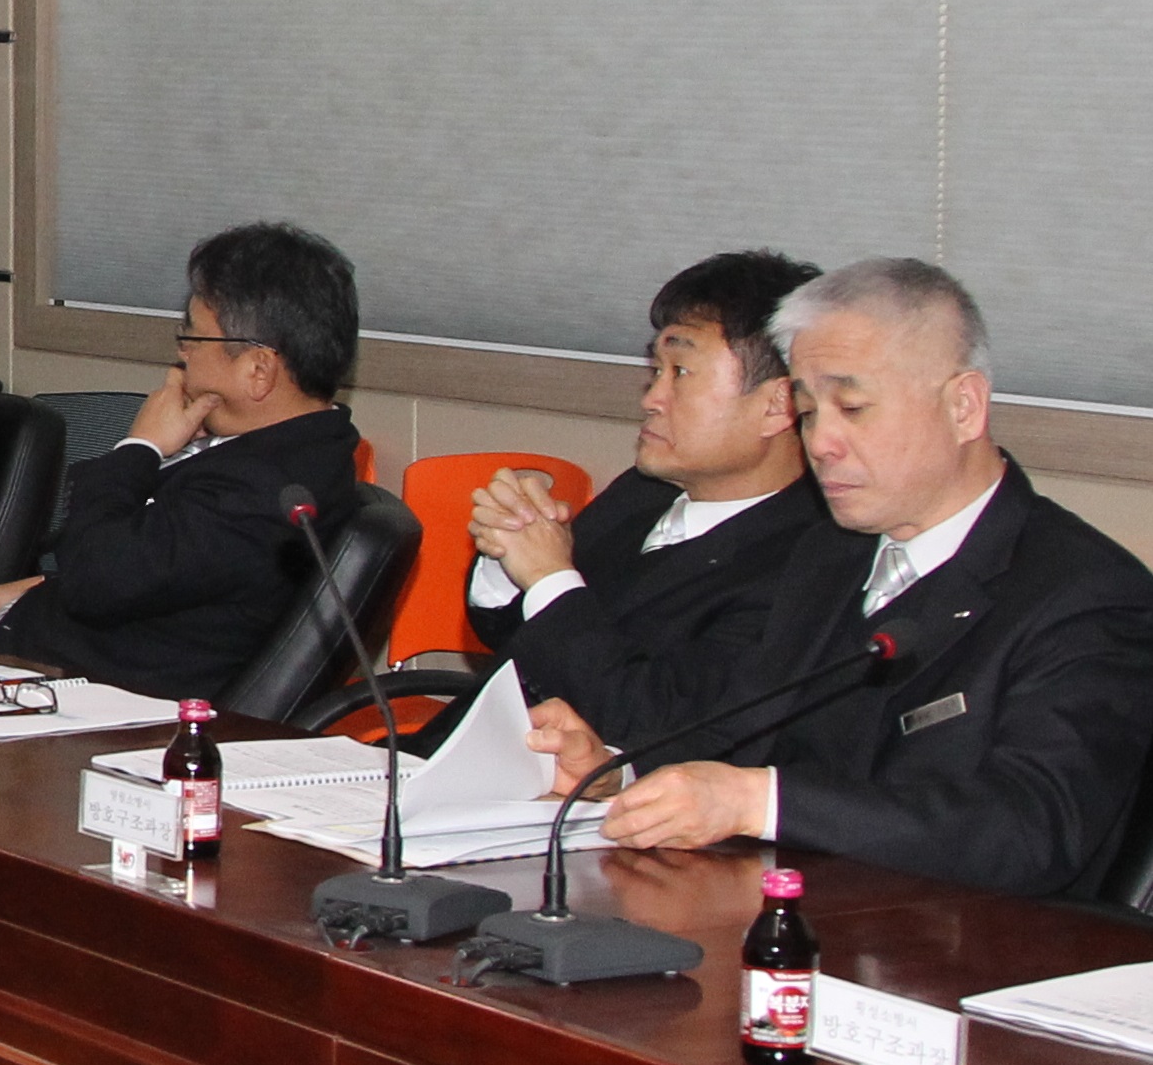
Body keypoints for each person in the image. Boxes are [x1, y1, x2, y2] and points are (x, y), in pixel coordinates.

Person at [530, 259, 1153, 899]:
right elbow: (743, 732)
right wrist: (621, 774)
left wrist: (759, 801)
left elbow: (1030, 831)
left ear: (963, 407)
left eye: (853, 408)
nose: (822, 442)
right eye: (808, 412)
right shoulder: (829, 552)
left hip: (969, 937)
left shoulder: (1087, 594)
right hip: (790, 912)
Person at [0, 222, 365, 702]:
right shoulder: (298, 451)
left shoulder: (261, 488)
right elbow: (166, 570)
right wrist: (41, 587)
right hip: (35, 666)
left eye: (194, 339)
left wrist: (139, 448)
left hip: (74, 702)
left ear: (258, 370)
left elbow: (96, 581)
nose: (182, 356)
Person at [459, 251, 829, 744]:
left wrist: (549, 576)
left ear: (778, 405)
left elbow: (652, 724)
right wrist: (510, 553)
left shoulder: (804, 565)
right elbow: (517, 635)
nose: (651, 398)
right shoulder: (644, 491)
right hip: (478, 745)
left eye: (681, 373)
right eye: (657, 371)